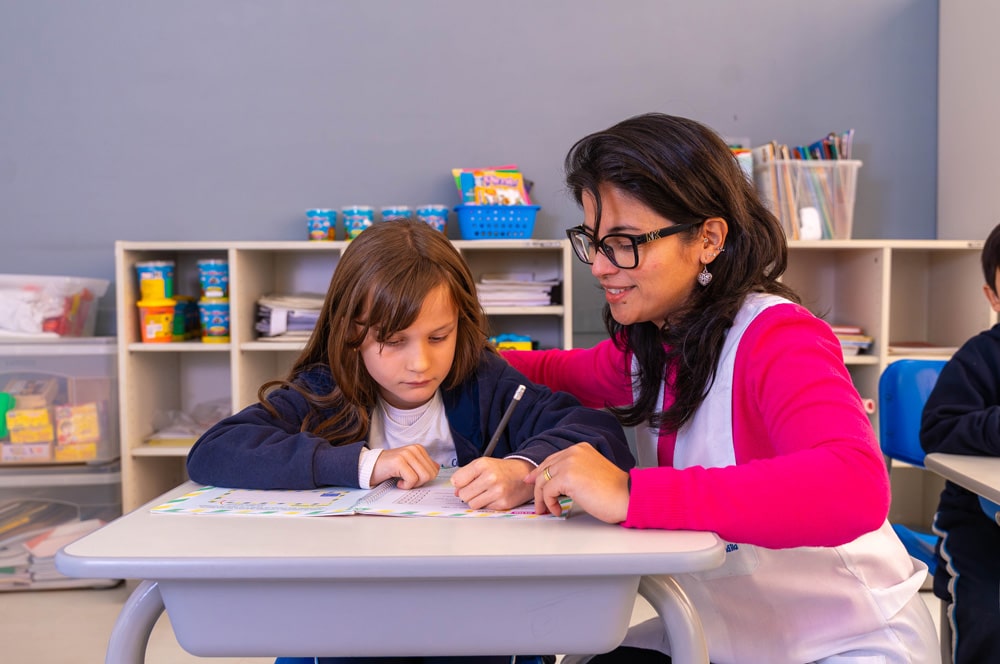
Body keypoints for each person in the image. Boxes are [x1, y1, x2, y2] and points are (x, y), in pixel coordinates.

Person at [503, 112, 939, 663]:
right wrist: (447, 352)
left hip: (839, 640)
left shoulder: (777, 337)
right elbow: (551, 371)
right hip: (726, 634)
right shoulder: (651, 347)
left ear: (708, 238)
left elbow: (853, 486)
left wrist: (631, 494)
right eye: (594, 243)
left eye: (625, 242)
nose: (601, 267)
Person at [187, 217, 633, 664]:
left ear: (462, 323)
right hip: (350, 610)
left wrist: (522, 469)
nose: (420, 362)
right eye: (393, 341)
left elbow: (598, 432)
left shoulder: (483, 382)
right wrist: (364, 464)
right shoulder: (325, 391)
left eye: (439, 336)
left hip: (474, 610)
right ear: (351, 334)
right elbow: (215, 450)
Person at [920, 221, 1000, 663]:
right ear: (993, 297)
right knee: (990, 616)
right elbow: (939, 428)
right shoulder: (980, 356)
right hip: (981, 527)